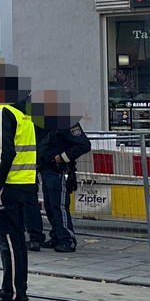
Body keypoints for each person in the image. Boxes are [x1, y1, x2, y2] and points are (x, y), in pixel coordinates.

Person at [0, 65, 38, 301]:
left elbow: (6, 152)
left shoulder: (4, 112)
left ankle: (11, 293)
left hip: (8, 185)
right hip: (24, 183)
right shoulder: (24, 114)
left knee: (8, 241)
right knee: (16, 239)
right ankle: (18, 288)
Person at [34, 89, 88, 253]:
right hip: (46, 170)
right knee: (50, 206)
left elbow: (83, 145)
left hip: (59, 171)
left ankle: (67, 239)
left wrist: (61, 157)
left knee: (60, 206)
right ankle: (56, 236)